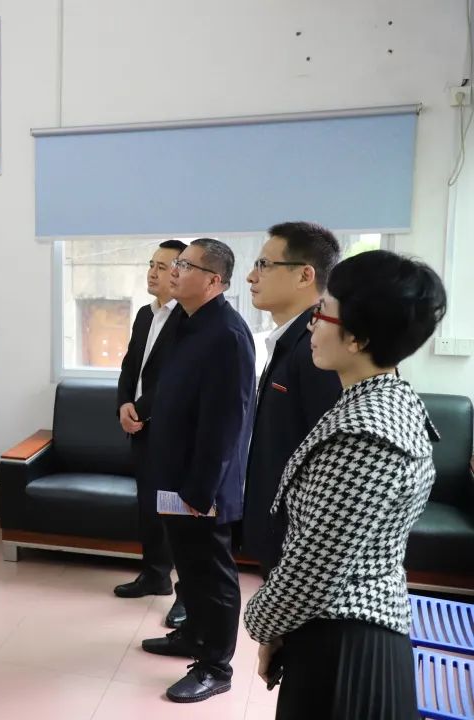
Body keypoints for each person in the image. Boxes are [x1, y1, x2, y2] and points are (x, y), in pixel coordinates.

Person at [244, 250, 446, 719]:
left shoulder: (367, 434)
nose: (312, 326)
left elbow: (313, 570)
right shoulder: (381, 398)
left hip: (346, 652)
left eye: (322, 312)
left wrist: (262, 623)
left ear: (358, 337)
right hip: (334, 631)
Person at [139, 238, 256, 703]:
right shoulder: (185, 323)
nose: (174, 271)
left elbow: (228, 421)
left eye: (184, 265)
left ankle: (216, 667)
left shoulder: (227, 333)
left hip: (202, 483)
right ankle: (191, 637)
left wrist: (201, 489)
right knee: (187, 564)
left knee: (212, 574)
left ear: (214, 281)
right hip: (174, 475)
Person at [242, 222, 343, 578]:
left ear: (304, 275)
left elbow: (326, 462)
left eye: (264, 265)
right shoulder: (291, 339)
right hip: (277, 525)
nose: (251, 277)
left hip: (297, 538)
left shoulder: (318, 348)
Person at [114, 239, 187, 630]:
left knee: (177, 514)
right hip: (141, 428)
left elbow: (175, 379)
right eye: (151, 264)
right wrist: (124, 404)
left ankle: (187, 596)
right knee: (148, 508)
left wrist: (139, 410)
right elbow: (131, 366)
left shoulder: (189, 319)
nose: (153, 272)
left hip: (172, 432)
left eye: (162, 266)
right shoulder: (146, 314)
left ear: (180, 272)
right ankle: (155, 575)